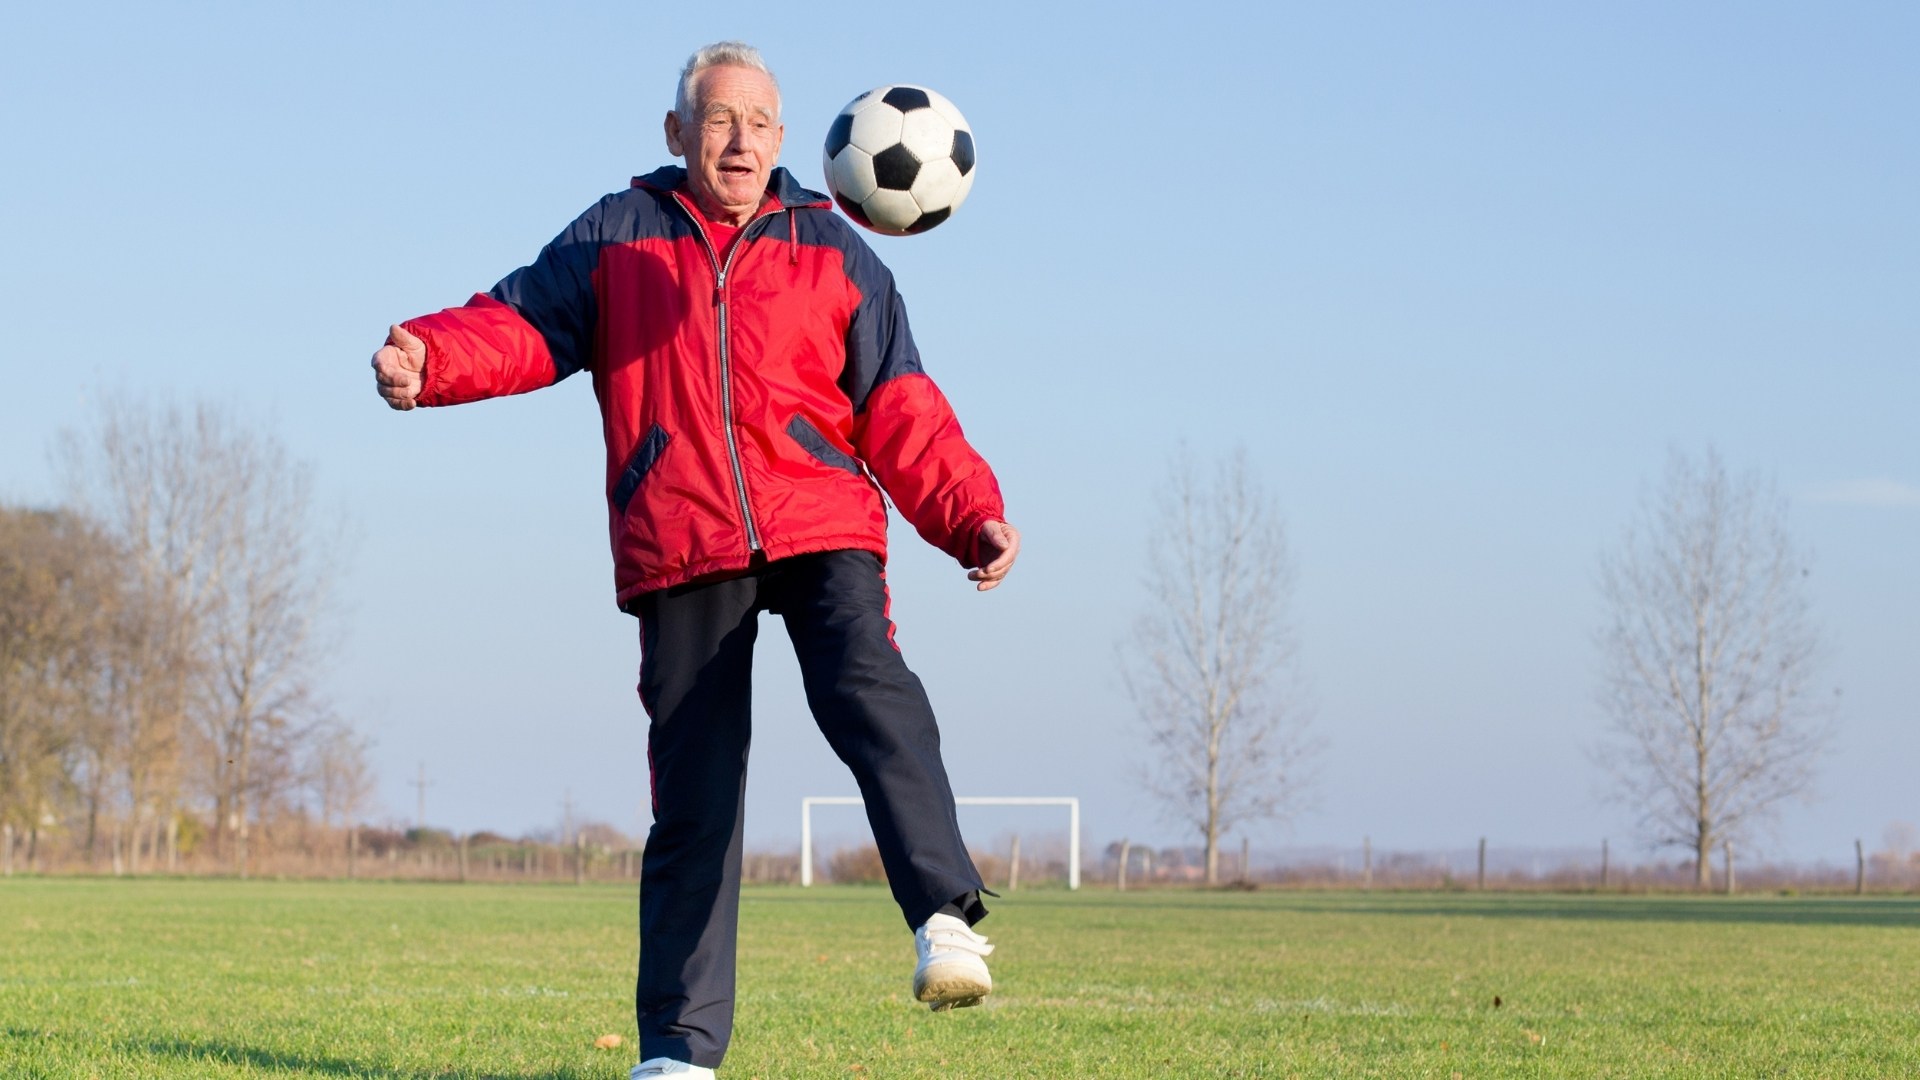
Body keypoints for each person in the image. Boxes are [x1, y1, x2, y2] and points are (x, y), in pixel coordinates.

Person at [369, 41, 1018, 1080]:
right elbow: (524, 321)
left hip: (820, 521)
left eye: (761, 122)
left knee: (868, 687)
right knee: (696, 800)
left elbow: (901, 407)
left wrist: (970, 514)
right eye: (720, 120)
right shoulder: (619, 235)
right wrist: (429, 356)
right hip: (680, 534)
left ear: (786, 139)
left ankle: (944, 920)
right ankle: (677, 1054)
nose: (742, 139)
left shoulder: (835, 248)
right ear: (677, 135)